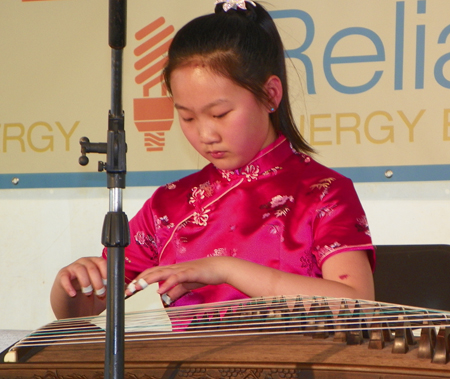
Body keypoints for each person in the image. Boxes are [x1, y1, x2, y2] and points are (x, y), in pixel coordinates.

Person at [50, 0, 375, 320]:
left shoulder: (323, 192)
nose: (205, 134)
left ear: (271, 95)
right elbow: (92, 307)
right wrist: (73, 286)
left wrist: (223, 269)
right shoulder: (169, 205)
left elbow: (359, 304)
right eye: (188, 118)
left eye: (220, 114)